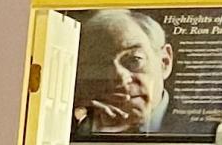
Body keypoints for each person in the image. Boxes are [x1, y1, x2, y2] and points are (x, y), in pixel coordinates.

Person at [74, 8, 175, 136]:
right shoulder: (75, 124)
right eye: (101, 65)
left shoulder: (200, 124)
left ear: (164, 62)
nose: (120, 78)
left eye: (134, 60)